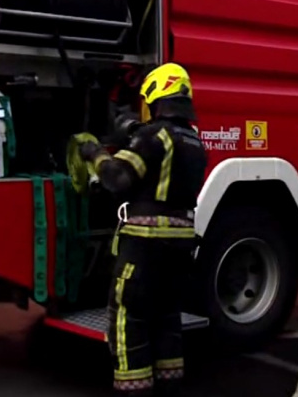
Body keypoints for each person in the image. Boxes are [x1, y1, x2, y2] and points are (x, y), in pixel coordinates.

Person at [77, 63, 208, 397]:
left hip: (144, 249)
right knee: (166, 320)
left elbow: (117, 179)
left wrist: (95, 153)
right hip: (179, 247)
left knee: (128, 322)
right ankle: (169, 388)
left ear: (156, 97)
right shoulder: (195, 141)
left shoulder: (153, 136)